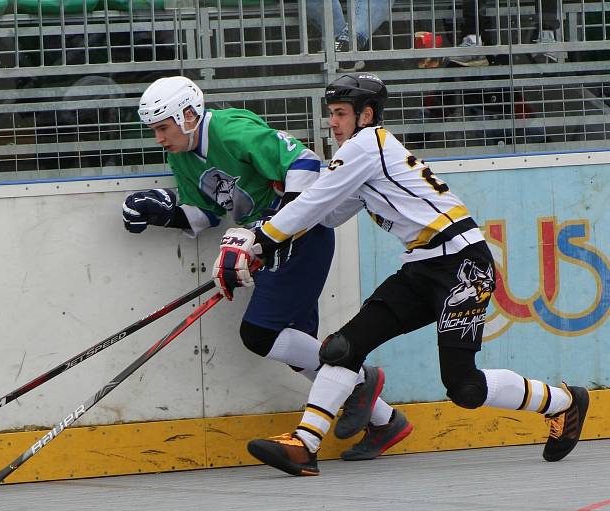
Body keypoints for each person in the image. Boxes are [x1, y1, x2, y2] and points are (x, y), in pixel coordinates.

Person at [212, 72, 590, 476]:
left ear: (366, 115)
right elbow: (324, 213)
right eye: (331, 115)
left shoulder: (367, 145)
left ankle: (564, 402)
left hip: (463, 264)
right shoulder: (361, 156)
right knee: (343, 348)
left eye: (340, 114)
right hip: (423, 265)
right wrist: (267, 233)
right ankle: (305, 445)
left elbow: (314, 205)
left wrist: (257, 240)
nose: (332, 123)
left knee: (464, 388)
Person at [124, 75, 408, 454]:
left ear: (188, 115)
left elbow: (303, 161)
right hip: (266, 242)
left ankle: (359, 380)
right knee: (296, 349)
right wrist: (164, 214)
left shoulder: (231, 130)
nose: (159, 138)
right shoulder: (182, 156)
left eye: (163, 127)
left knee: (261, 334)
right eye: (154, 130)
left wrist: (281, 227)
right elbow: (207, 214)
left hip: (300, 234)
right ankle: (386, 422)